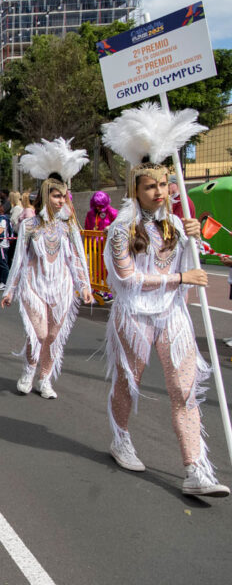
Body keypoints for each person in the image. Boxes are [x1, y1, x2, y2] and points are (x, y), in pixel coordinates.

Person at [100, 103, 228, 497]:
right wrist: (179, 276)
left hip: (171, 314)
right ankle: (120, 438)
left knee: (184, 390)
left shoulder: (177, 223)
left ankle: (195, 468)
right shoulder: (121, 229)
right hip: (134, 314)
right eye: (150, 186)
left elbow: (197, 260)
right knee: (128, 382)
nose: (159, 192)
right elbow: (128, 277)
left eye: (163, 184)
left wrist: (192, 236)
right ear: (135, 189)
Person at [3, 138, 93, 399]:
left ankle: (45, 379)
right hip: (35, 284)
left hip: (61, 286)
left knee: (53, 336)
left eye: (63, 196)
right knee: (39, 333)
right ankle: (29, 370)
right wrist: (10, 290)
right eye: (55, 195)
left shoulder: (69, 226)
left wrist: (84, 286)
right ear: (46, 195)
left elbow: (78, 258)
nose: (60, 200)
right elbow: (19, 258)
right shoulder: (31, 226)